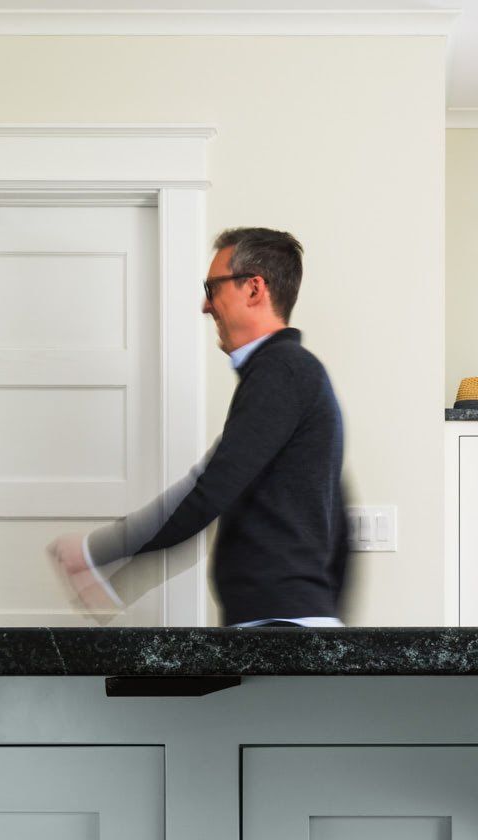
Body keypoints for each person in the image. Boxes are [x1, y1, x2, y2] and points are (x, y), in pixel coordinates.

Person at [49, 227, 347, 627]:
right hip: (286, 621)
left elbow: (209, 492)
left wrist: (92, 552)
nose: (206, 306)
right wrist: (117, 581)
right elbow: (221, 494)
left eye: (213, 287)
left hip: (279, 626)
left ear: (254, 289)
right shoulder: (288, 373)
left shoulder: (282, 371)